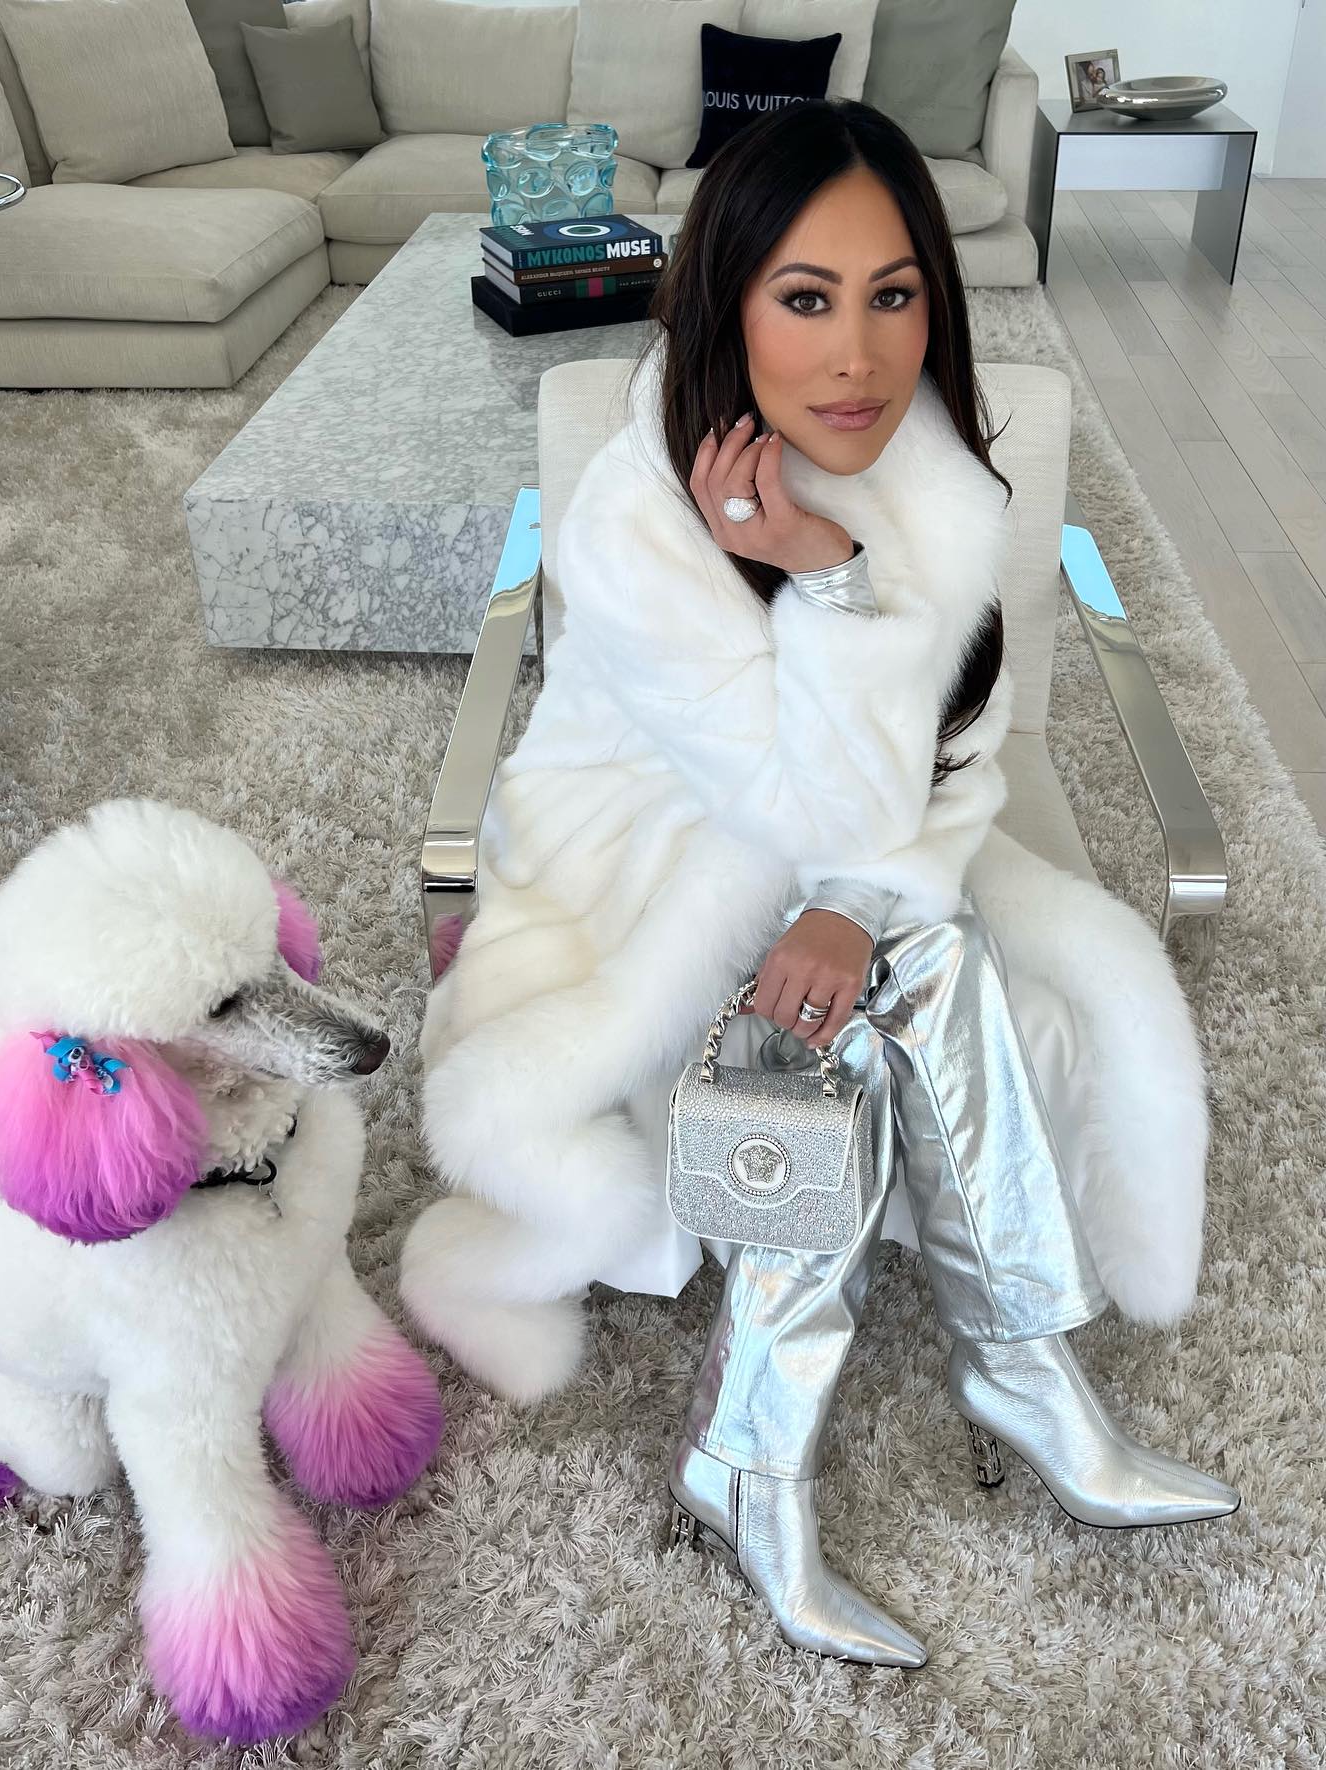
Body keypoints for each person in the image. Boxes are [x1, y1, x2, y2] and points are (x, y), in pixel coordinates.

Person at [401, 99, 1239, 1667]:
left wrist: (858, 895)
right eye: (805, 298)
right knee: (867, 982)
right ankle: (921, 1403)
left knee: (905, 945)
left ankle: (867, 1416)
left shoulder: (933, 470)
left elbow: (956, 762)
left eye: (893, 294)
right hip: (629, 848)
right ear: (729, 305)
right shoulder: (645, 513)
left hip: (818, 828)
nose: (857, 356)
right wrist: (832, 579)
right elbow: (797, 804)